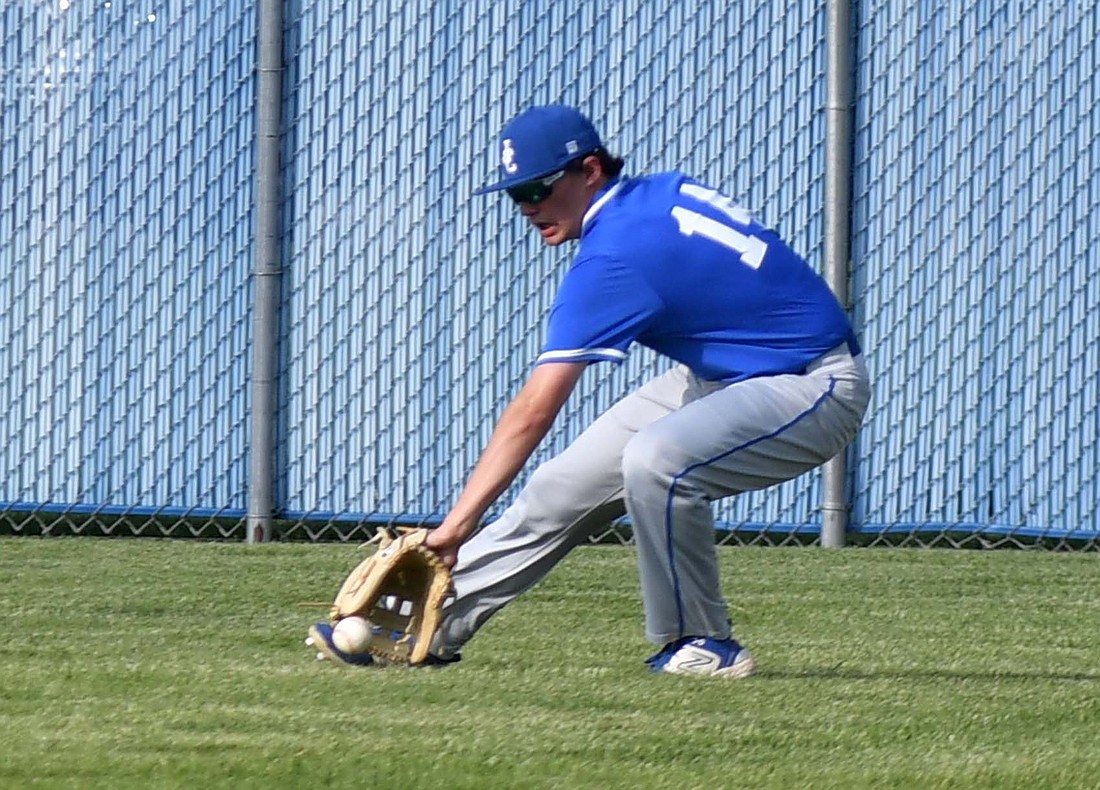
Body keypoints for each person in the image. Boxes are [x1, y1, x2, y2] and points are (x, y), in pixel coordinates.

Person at [313, 104, 870, 677]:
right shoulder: (652, 196)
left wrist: (456, 526)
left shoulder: (615, 256)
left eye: (538, 188)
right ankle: (426, 628)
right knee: (564, 485)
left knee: (659, 461)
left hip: (813, 383)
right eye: (515, 194)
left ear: (590, 171)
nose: (528, 206)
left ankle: (703, 643)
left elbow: (535, 409)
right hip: (726, 376)